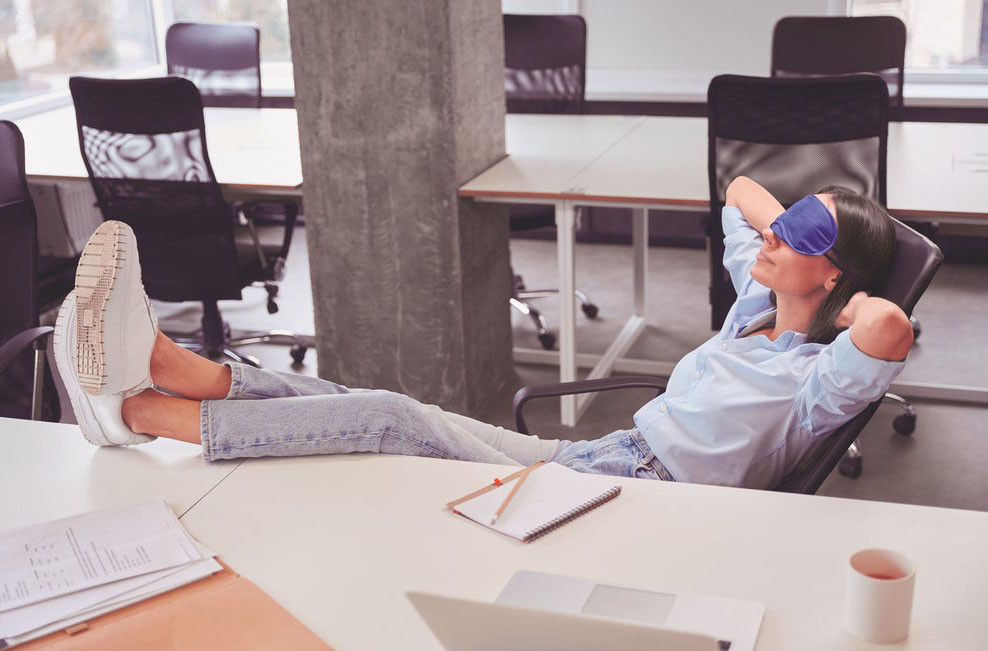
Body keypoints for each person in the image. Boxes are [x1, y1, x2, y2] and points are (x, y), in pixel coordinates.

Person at [53, 177, 913, 489]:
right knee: (374, 401)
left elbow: (889, 326)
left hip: (641, 491)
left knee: (390, 420)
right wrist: (800, 228)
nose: (774, 234)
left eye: (803, 235)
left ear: (837, 275)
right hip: (607, 454)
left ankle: (141, 411)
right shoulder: (752, 308)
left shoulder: (812, 382)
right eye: (784, 224)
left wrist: (844, 301)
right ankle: (169, 366)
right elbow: (741, 189)